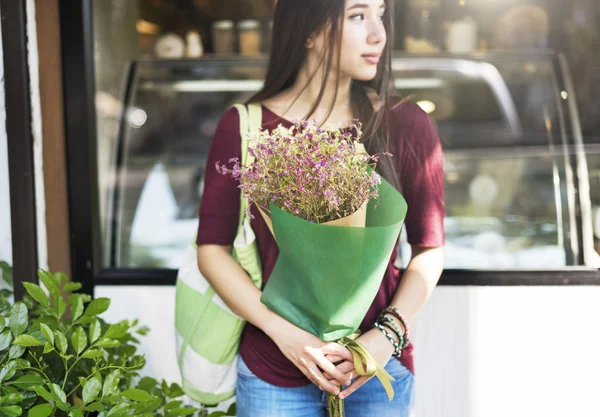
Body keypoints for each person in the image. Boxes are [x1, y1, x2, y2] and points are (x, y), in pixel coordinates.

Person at [196, 0, 445, 415]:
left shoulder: (405, 124)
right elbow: (211, 251)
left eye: (381, 14)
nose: (378, 34)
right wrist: (287, 336)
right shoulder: (245, 126)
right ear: (308, 31)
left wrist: (385, 337)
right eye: (357, 15)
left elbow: (429, 250)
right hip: (274, 368)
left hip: (376, 370)